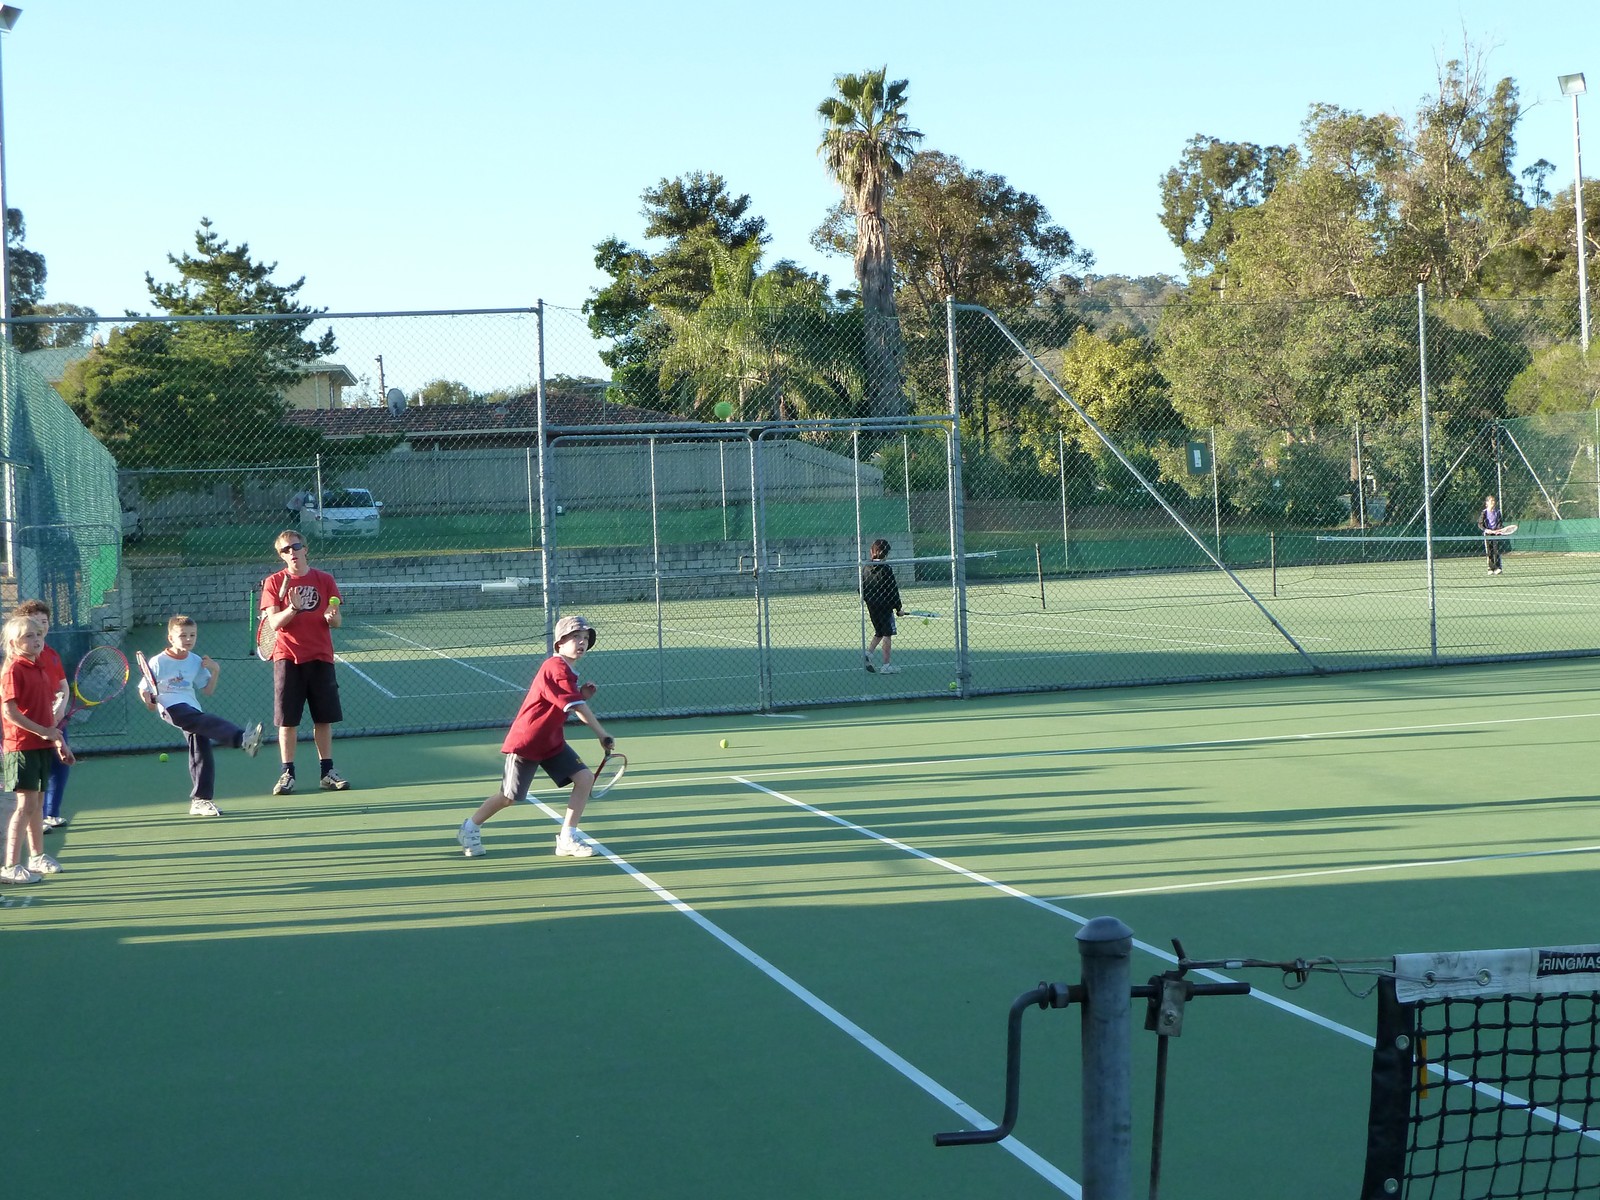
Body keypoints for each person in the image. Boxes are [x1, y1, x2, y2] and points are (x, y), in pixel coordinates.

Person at [456, 614, 615, 860]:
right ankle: (470, 828)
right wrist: (602, 734)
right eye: (575, 637)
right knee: (508, 797)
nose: (582, 642)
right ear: (560, 643)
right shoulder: (555, 667)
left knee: (584, 779)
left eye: (585, 638)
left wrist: (580, 694)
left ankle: (567, 838)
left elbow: (566, 702)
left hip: (551, 742)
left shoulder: (568, 671)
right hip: (527, 742)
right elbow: (576, 706)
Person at [137, 614, 264, 817]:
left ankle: (201, 801)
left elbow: (208, 690)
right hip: (171, 707)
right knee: (197, 723)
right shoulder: (158, 662)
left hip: (192, 708)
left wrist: (215, 671)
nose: (188, 639)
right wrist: (148, 700)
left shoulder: (195, 661)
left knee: (201, 748)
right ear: (171, 638)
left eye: (192, 635)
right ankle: (242, 738)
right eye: (183, 635)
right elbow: (144, 689)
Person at [260, 530, 347, 795]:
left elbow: (337, 620)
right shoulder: (274, 582)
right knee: (287, 721)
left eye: (295, 547)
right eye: (285, 550)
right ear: (281, 555)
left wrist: (332, 618)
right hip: (288, 657)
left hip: (321, 656)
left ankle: (327, 773)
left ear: (305, 549)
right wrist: (293, 608)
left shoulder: (325, 580)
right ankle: (287, 774)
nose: (292, 552)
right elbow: (274, 623)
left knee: (324, 719)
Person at [1, 614, 73, 884]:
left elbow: (46, 714)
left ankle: (37, 857)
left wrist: (59, 741)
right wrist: (43, 731)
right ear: (13, 642)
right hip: (21, 747)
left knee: (38, 805)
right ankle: (10, 865)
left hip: (42, 744)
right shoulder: (13, 669)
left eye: (38, 635)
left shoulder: (39, 666)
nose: (36, 640)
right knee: (26, 805)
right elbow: (9, 712)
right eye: (28, 636)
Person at [13, 600, 71, 831]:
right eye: (34, 623)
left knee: (60, 764)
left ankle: (51, 814)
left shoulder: (52, 654)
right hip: (30, 726)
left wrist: (60, 708)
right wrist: (41, 722)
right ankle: (34, 823)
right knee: (34, 776)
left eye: (44, 622)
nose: (40, 627)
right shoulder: (18, 662)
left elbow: (63, 686)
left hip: (55, 720)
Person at [860, 538, 906, 674]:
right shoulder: (886, 569)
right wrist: (898, 608)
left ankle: (868, 654)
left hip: (872, 606)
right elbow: (893, 590)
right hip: (885, 607)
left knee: (879, 631)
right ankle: (886, 665)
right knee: (887, 633)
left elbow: (861, 589)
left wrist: (869, 600)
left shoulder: (866, 567)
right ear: (886, 553)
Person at [1478, 494, 1507, 575]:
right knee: (1489, 551)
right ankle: (1490, 568)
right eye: (1491, 501)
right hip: (1487, 534)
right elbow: (1480, 524)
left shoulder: (1497, 512)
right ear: (1487, 503)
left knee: (1496, 550)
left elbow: (1500, 523)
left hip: (1496, 534)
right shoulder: (1484, 512)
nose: (1492, 502)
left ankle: (1498, 568)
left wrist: (1498, 530)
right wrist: (1486, 530)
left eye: (1493, 500)